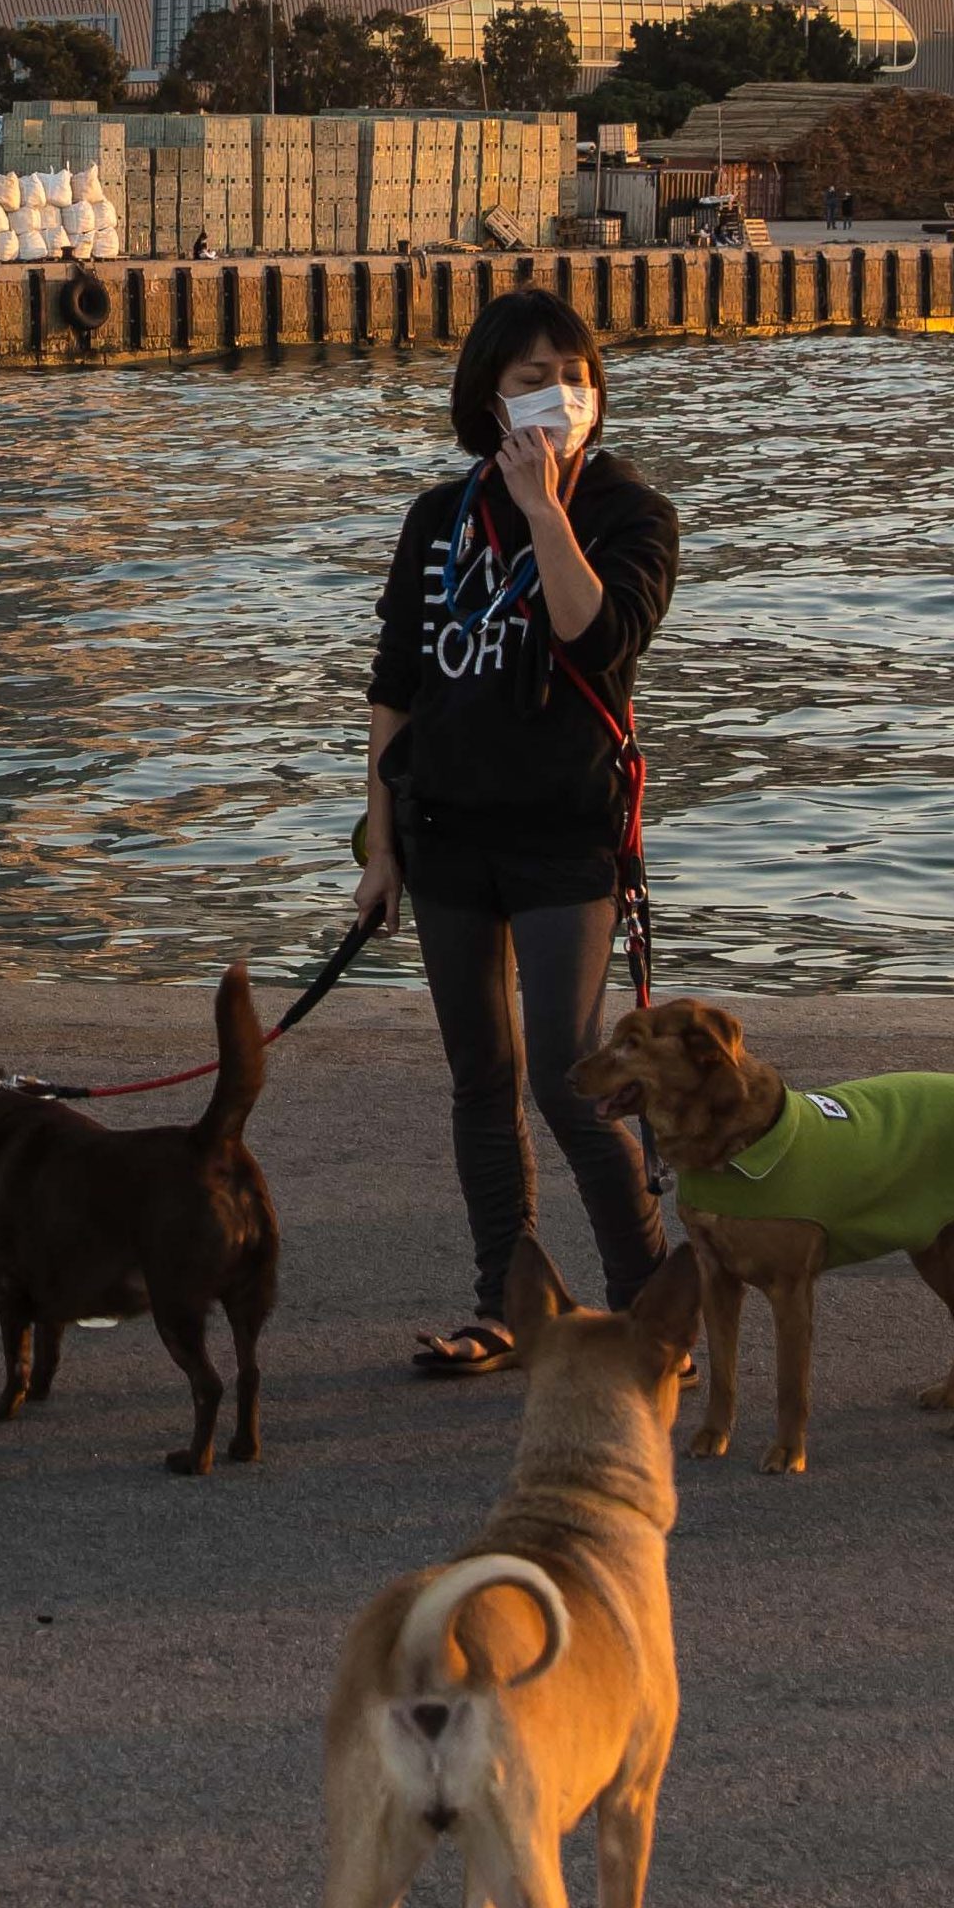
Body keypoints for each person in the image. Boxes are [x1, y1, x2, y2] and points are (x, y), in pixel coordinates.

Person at [358, 288, 679, 1375]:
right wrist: (379, 842)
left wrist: (547, 509)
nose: (558, 398)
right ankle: (505, 1298)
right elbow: (394, 685)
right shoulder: (437, 519)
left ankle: (650, 1302)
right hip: (446, 829)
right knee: (479, 1078)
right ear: (484, 398)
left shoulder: (627, 510)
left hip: (563, 835)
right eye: (530, 379)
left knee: (570, 1072)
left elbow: (596, 640)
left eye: (575, 377)